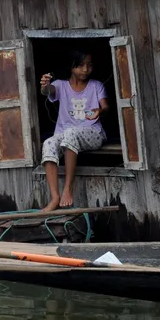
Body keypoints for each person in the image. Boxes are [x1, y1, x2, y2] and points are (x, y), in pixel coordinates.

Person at [39, 51, 108, 212]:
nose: (85, 70)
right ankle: (55, 198)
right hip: (65, 134)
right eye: (81, 65)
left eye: (89, 65)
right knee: (48, 143)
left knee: (71, 133)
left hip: (93, 133)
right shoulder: (60, 85)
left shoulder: (96, 85)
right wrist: (44, 85)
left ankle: (68, 189)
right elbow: (47, 91)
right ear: (71, 67)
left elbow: (105, 106)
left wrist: (100, 110)